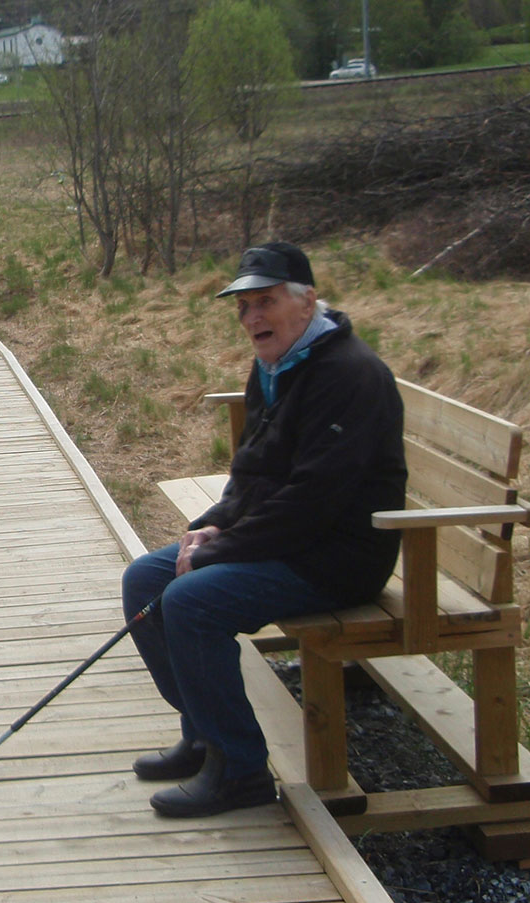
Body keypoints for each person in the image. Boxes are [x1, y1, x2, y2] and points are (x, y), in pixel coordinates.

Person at [122, 242, 407, 818]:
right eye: (243, 306)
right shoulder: (276, 365)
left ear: (307, 301)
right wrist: (212, 526)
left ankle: (240, 771)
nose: (252, 318)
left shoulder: (349, 376)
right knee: (144, 579)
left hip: (339, 557)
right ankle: (203, 734)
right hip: (292, 540)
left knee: (192, 601)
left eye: (266, 302)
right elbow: (254, 469)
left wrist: (223, 550)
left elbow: (314, 500)